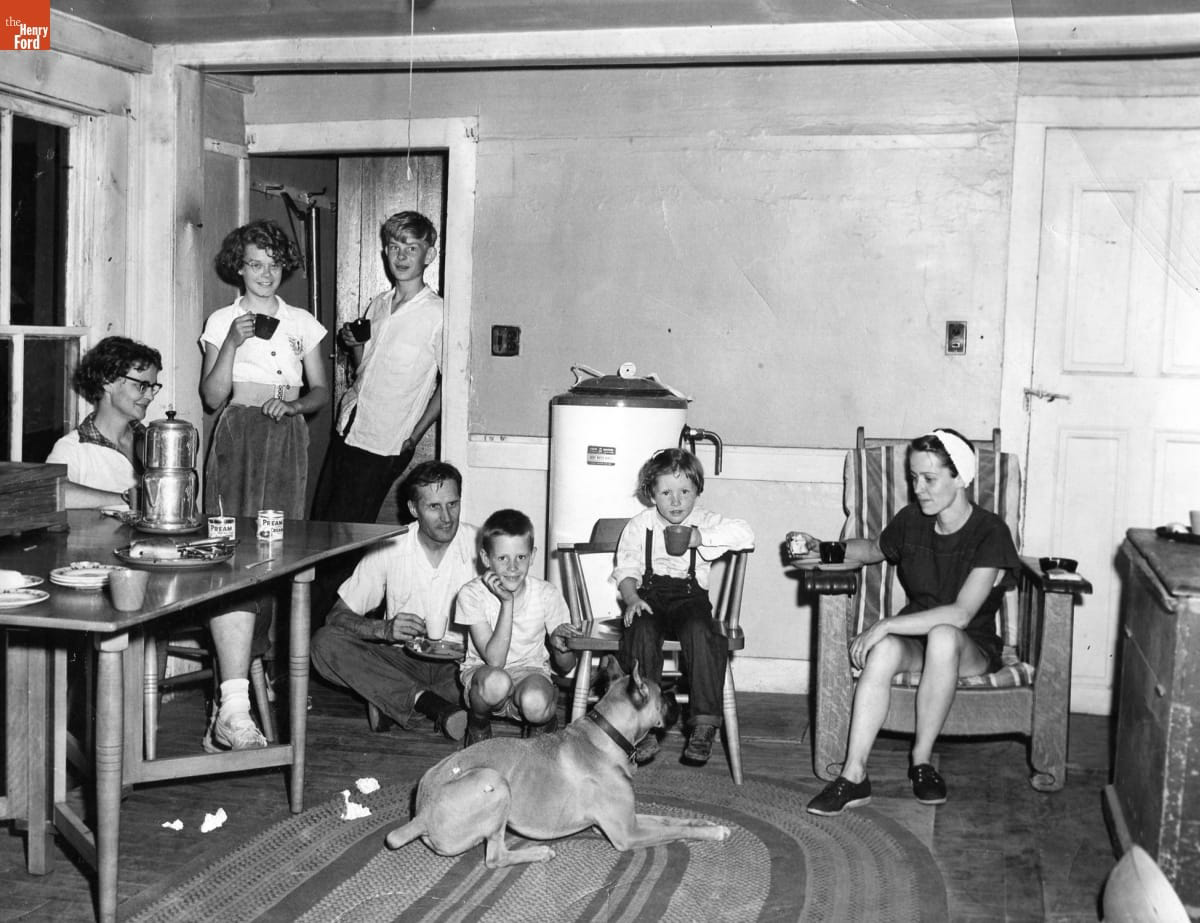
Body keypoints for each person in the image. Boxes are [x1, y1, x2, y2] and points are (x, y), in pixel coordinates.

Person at [802, 428, 1021, 816]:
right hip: (917, 637)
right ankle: (854, 776)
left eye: (930, 478)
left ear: (961, 478)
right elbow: (871, 549)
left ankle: (921, 762)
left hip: (970, 644)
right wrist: (823, 548)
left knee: (941, 635)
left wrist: (884, 623)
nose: (918, 488)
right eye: (913, 478)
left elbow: (961, 615)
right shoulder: (912, 521)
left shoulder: (990, 532)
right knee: (884, 650)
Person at [197, 218, 329, 752]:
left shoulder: (302, 323)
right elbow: (211, 397)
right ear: (239, 266)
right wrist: (230, 341)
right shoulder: (223, 319)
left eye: (274, 264)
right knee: (232, 553)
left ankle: (261, 673)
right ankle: (229, 699)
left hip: (286, 439)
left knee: (278, 553)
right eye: (255, 263)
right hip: (237, 436)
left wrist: (294, 404)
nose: (265, 273)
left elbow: (322, 391)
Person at [310, 461, 476, 741]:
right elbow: (336, 617)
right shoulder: (391, 546)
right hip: (402, 658)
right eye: (434, 507)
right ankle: (424, 702)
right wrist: (384, 630)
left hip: (460, 666)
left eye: (453, 504)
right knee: (323, 643)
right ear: (414, 509)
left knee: (489, 683)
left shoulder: (480, 545)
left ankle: (395, 697)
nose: (447, 517)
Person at [612, 448, 755, 767]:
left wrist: (700, 537)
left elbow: (745, 535)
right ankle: (644, 722)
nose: (676, 501)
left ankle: (704, 723)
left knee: (701, 632)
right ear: (652, 494)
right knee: (642, 630)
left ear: (697, 492)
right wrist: (632, 599)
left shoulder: (704, 520)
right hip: (649, 595)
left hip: (691, 597)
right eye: (666, 492)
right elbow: (627, 568)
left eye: (685, 492)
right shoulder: (640, 525)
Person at [313, 210, 443, 524]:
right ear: (385, 252)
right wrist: (356, 346)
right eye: (395, 247)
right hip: (349, 425)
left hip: (386, 440)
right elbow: (364, 370)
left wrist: (414, 434)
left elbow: (450, 385)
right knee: (323, 521)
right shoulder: (379, 305)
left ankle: (343, 577)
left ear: (430, 254)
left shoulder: (439, 314)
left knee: (350, 529)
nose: (402, 256)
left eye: (412, 248)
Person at [455, 508, 581, 746]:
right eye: (502, 558)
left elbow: (567, 667)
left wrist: (560, 646)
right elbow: (495, 661)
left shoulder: (546, 594)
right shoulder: (471, 594)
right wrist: (507, 603)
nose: (513, 567)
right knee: (497, 681)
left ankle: (543, 723)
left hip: (530, 671)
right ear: (485, 558)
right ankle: (478, 723)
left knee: (536, 702)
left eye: (521, 557)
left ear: (532, 555)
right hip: (484, 672)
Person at [47, 336, 161, 509]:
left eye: (153, 387)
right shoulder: (73, 448)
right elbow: (52, 493)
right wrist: (130, 500)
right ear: (107, 382)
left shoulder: (153, 441)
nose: (150, 396)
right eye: (142, 386)